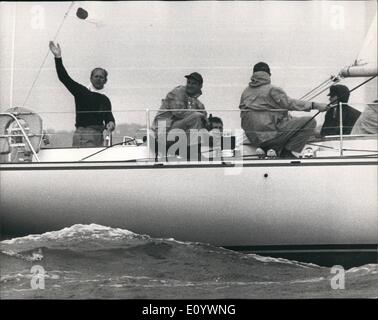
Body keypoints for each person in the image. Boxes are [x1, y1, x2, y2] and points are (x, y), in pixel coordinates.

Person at [239, 62, 329, 158]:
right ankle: (286, 152)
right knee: (310, 122)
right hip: (272, 135)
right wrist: (314, 105)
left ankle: (267, 148)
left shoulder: (245, 92)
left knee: (289, 121)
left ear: (253, 74)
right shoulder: (272, 89)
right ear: (269, 74)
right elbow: (290, 104)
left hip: (254, 138)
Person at [49, 41, 115, 147]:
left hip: (98, 136)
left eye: (101, 77)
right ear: (91, 78)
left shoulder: (105, 99)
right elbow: (64, 78)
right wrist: (58, 57)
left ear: (105, 80)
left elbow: (109, 117)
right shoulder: (82, 92)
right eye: (96, 76)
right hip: (83, 135)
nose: (98, 79)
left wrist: (111, 123)